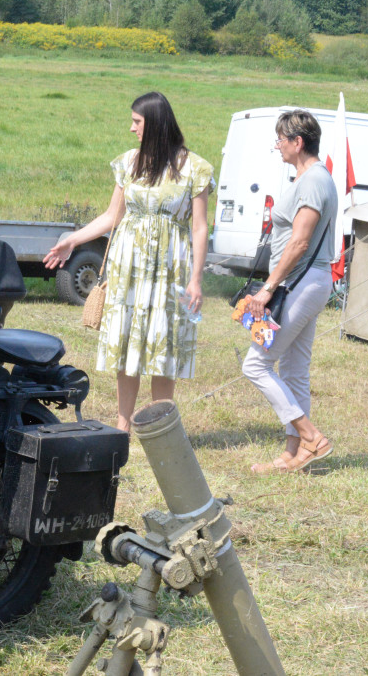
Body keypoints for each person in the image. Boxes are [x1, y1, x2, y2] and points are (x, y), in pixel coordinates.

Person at [44, 92, 214, 432]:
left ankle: (157, 428)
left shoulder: (195, 167)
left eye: (137, 122)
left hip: (171, 269)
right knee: (128, 345)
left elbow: (199, 226)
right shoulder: (129, 162)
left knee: (163, 347)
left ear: (154, 123)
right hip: (129, 266)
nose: (132, 128)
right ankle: (123, 426)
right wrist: (72, 239)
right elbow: (112, 216)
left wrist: (196, 279)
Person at [245, 110, 336, 474]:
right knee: (295, 368)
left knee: (255, 364)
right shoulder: (312, 177)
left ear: (298, 142)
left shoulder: (313, 180)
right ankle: (294, 453)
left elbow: (299, 242)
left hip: (299, 282)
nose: (277, 145)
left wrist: (267, 289)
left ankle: (311, 437)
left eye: (281, 139)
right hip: (308, 282)